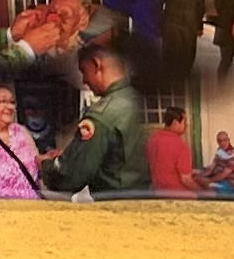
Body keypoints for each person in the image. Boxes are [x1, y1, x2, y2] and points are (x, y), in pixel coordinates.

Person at [45, 38, 154, 195]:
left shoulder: (101, 116)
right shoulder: (137, 98)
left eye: (83, 71)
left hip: (115, 206)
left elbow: (70, 178)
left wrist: (45, 165)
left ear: (96, 65)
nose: (84, 80)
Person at [0, 80, 46, 198]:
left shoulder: (21, 132)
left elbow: (38, 164)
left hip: (31, 210)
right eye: (3, 101)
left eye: (12, 102)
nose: (10, 107)